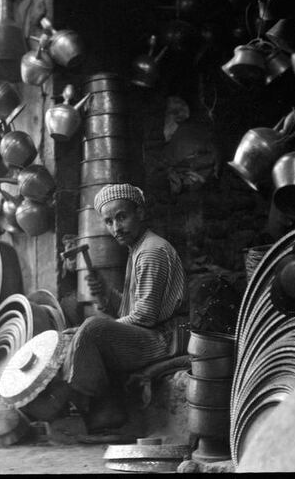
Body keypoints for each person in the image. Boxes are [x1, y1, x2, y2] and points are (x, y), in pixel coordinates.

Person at [60, 183, 189, 434]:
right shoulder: (138, 249)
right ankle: (101, 409)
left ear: (139, 213)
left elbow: (145, 316)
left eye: (122, 217)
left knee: (92, 329)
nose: (116, 227)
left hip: (166, 338)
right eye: (109, 221)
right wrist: (106, 294)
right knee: (89, 330)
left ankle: (100, 410)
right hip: (152, 332)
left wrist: (90, 331)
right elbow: (130, 309)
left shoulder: (152, 251)